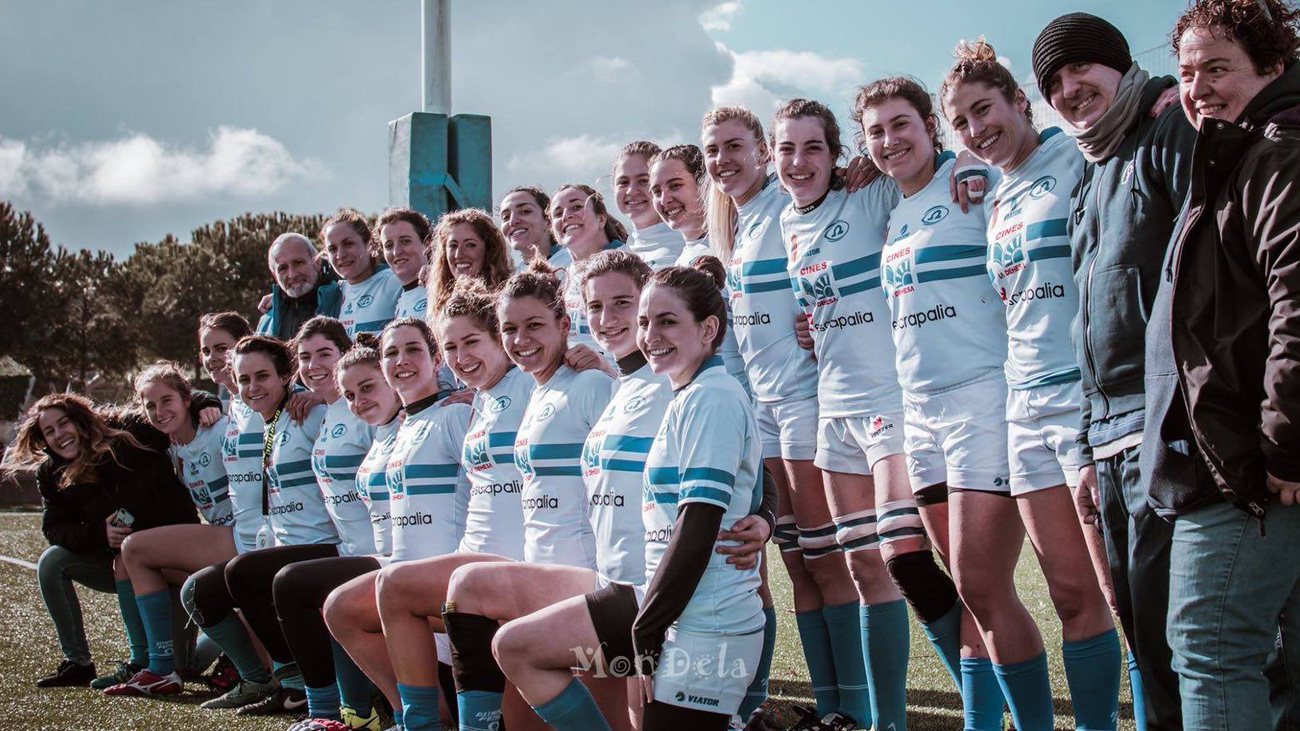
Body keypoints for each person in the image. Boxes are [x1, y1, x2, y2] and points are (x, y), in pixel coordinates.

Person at [855, 76, 1058, 730]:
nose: (890, 141)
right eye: (876, 131)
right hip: (922, 412)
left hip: (982, 397)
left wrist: (971, 164)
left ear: (930, 127)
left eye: (901, 124)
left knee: (982, 582)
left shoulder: (972, 181)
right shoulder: (891, 208)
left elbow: (1034, 161)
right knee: (966, 593)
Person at [941, 41, 1124, 730]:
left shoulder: (1075, 156)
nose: (975, 129)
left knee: (1117, 590)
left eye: (983, 110)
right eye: (959, 123)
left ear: (1021, 101)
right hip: (1024, 408)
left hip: (1086, 399)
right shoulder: (992, 190)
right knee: (1070, 593)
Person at [774, 97, 963, 731]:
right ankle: (885, 722)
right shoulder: (786, 225)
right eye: (788, 149)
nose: (799, 162)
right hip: (835, 411)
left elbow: (925, 175)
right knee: (859, 566)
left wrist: (962, 165)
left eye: (813, 148)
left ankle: (986, 695)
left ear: (837, 154)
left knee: (902, 559)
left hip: (891, 404)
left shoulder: (870, 197)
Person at [1032, 13, 1198, 729]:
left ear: (1121, 67)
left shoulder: (1172, 132)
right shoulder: (1090, 175)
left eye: (1082, 72)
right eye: (1056, 84)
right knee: (1150, 641)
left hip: (1173, 430)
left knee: (1207, 645)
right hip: (1108, 440)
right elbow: (1087, 329)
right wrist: (1084, 441)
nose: (1071, 91)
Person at [1150, 2, 1300, 728]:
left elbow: (1298, 305)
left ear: (1272, 66)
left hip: (1255, 466)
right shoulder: (1240, 153)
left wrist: (1284, 442)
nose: (1199, 87)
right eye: (1186, 72)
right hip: (1247, 456)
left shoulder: (1279, 150)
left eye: (1218, 67)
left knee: (1211, 649)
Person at [701, 104, 869, 729]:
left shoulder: (791, 205)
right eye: (713, 150)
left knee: (829, 560)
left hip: (807, 399)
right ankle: (829, 709)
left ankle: (855, 707)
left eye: (735, 146)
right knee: (797, 561)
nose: (723, 160)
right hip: (763, 411)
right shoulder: (740, 227)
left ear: (761, 152)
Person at [320, 316, 473, 731]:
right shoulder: (405, 426)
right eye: (391, 353)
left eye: (413, 350)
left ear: (436, 358)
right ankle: (414, 715)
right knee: (340, 609)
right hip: (403, 580)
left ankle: (421, 718)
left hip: (449, 581)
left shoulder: (456, 414)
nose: (401, 361)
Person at [7, 393, 202, 689]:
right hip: (124, 565)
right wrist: (99, 532)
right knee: (53, 561)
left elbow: (175, 400)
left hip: (172, 561)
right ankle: (79, 662)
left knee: (184, 667)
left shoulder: (127, 432)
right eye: (49, 431)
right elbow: (55, 529)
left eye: (64, 423)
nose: (60, 435)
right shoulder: (51, 473)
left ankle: (219, 648)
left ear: (80, 422)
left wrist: (208, 404)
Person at [184, 333, 335, 715]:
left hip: (325, 544)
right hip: (282, 544)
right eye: (245, 379)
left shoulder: (310, 413)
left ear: (285, 375)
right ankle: (274, 680)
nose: (253, 387)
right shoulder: (269, 420)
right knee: (199, 592)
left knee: (244, 574)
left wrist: (323, 396)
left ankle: (300, 684)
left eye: (263, 376)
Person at [104, 362, 248, 697]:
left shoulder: (219, 430)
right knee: (127, 560)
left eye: (167, 401)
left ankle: (161, 668)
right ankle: (156, 661)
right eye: (150, 405)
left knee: (136, 548)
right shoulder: (169, 446)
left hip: (245, 536)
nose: (158, 411)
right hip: (219, 537)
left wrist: (207, 402)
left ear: (187, 399)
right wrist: (115, 520)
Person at [652, 145, 751, 396]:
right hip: (702, 396)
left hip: (746, 396)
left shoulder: (736, 242)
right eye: (656, 191)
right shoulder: (681, 261)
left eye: (675, 185)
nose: (664, 199)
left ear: (704, 183)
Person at [550, 183, 630, 358]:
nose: (566, 216)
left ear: (601, 219)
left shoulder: (628, 263)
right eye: (557, 213)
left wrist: (604, 366)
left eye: (577, 207)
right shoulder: (564, 278)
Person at [324, 209, 403, 339]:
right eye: (333, 249)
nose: (340, 255)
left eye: (348, 244)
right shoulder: (332, 295)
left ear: (369, 243)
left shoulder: (394, 280)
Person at [425, 207, 514, 313]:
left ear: (489, 249)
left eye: (470, 245)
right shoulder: (438, 303)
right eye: (453, 246)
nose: (459, 254)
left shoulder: (508, 299)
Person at [258, 233, 344, 341]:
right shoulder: (267, 320)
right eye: (283, 268)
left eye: (298, 263)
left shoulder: (343, 299)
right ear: (275, 275)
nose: (292, 274)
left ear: (317, 262)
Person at [617, 141, 685, 269]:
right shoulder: (620, 254)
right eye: (623, 182)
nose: (631, 191)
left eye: (643, 181)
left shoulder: (687, 241)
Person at [376, 207, 433, 320]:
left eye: (405, 241)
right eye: (389, 246)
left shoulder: (444, 288)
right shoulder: (400, 302)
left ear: (427, 244)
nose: (396, 252)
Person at [499, 185, 561, 267]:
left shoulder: (573, 263)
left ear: (548, 220)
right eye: (505, 217)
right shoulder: (514, 275)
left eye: (525, 211)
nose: (512, 221)